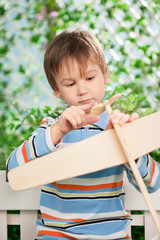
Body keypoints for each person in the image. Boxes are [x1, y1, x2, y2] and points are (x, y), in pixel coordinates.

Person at [7, 30, 160, 240]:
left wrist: (126, 146)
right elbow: (12, 168)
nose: (82, 90)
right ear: (57, 89)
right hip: (57, 236)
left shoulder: (117, 129)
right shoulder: (51, 130)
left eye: (89, 78)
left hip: (111, 236)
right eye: (70, 84)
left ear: (105, 75)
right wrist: (58, 131)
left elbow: (153, 182)